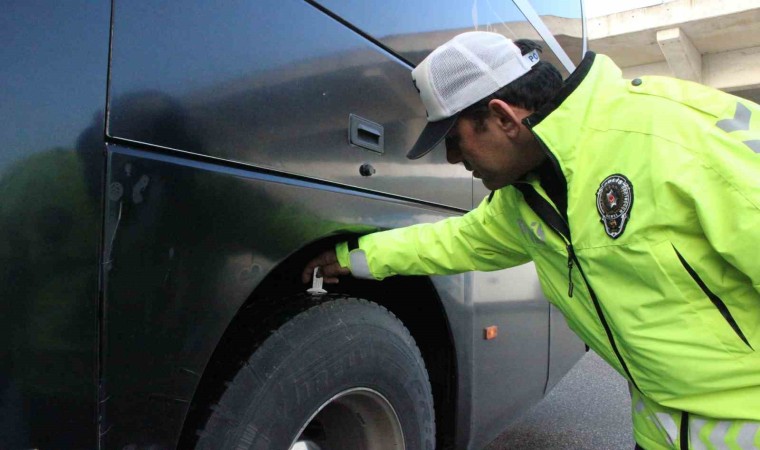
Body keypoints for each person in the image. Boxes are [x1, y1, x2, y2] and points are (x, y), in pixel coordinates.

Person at [302, 31, 760, 450]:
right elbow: (453, 241)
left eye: (455, 139)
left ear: (502, 117)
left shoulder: (674, 137)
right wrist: (350, 257)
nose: (453, 158)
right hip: (660, 428)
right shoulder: (526, 197)